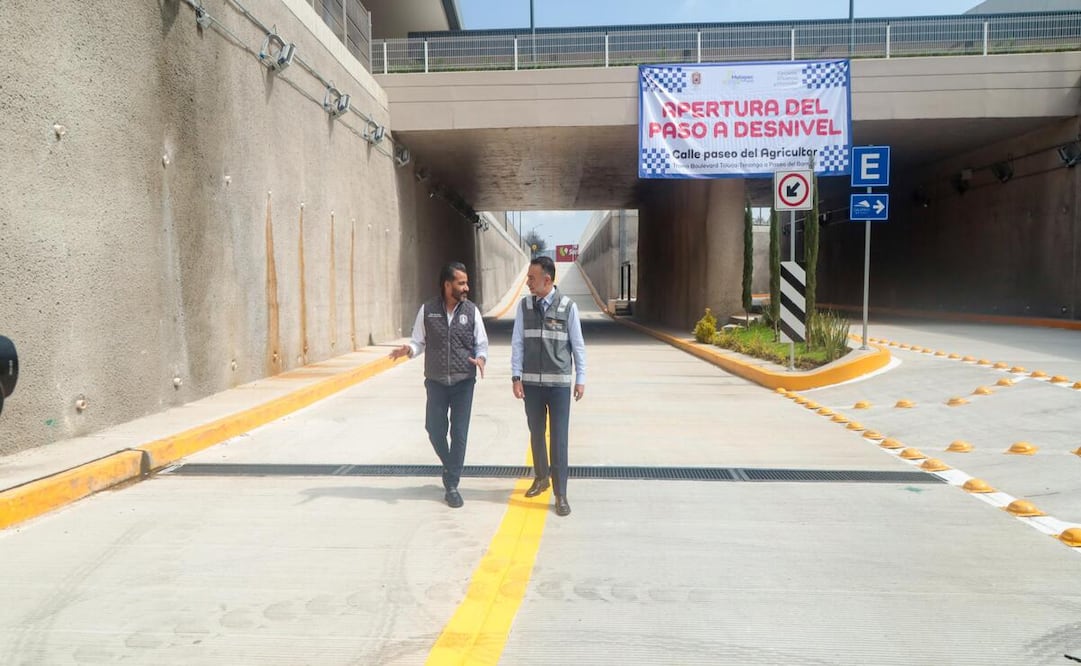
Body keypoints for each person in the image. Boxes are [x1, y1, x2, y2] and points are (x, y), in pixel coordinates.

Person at [390, 262, 488, 508]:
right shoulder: (428, 311)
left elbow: (482, 344)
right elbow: (418, 342)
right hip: (435, 381)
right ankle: (450, 466)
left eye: (466, 282)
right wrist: (408, 350)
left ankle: (452, 485)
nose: (466, 287)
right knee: (434, 429)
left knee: (459, 433)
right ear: (447, 285)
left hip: (464, 381)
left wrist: (481, 359)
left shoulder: (471, 311)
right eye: (461, 283)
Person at [510, 256, 586, 517]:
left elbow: (577, 345)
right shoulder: (524, 307)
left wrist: (581, 378)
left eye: (532, 278)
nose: (528, 282)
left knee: (559, 438)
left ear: (547, 279)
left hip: (558, 386)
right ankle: (541, 478)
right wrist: (515, 376)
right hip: (531, 384)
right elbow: (518, 342)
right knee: (535, 432)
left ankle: (560, 494)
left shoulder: (568, 307)